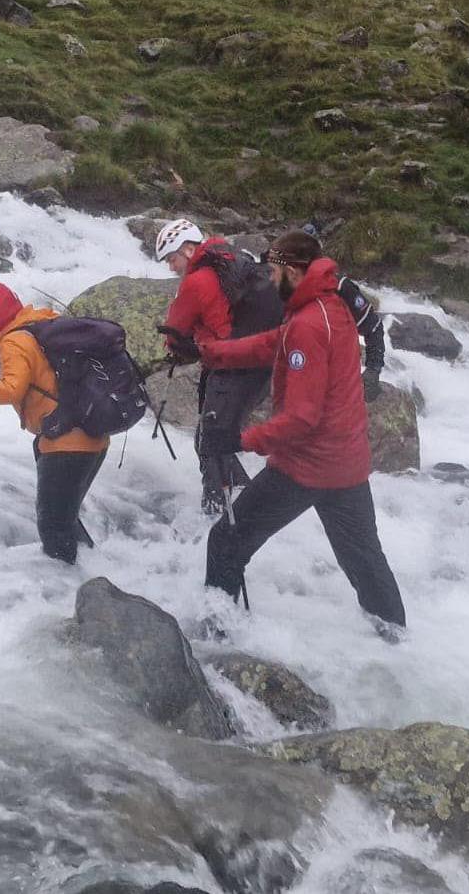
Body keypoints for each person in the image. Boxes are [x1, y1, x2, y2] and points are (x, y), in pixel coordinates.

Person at [179, 230, 407, 635]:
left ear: (291, 270)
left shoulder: (308, 323)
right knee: (366, 563)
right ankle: (397, 642)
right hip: (347, 465)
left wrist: (239, 441)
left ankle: (221, 642)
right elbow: (274, 344)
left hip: (307, 466)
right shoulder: (328, 302)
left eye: (273, 271)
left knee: (225, 543)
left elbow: (302, 417)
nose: (269, 279)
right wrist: (211, 352)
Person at [0, 280, 108, 565]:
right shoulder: (41, 322)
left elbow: (11, 389)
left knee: (54, 528)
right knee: (66, 519)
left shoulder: (15, 341)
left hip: (66, 445)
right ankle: (95, 579)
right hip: (92, 437)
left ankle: (75, 595)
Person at [153, 218, 280, 516]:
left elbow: (174, 332)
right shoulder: (233, 260)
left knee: (209, 443)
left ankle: (218, 516)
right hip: (258, 366)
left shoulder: (197, 281)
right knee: (218, 439)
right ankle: (246, 502)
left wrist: (181, 345)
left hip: (230, 368)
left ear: (187, 249)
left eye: (171, 259)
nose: (171, 267)